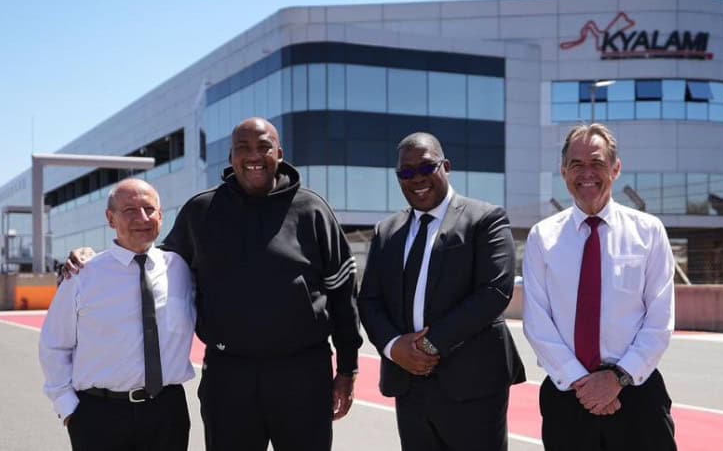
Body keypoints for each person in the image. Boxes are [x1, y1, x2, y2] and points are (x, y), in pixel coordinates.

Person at [62, 117, 363, 451]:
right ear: (231, 156)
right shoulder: (202, 211)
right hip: (228, 376)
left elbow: (343, 293)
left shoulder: (312, 210)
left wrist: (347, 368)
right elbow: (150, 263)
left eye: (264, 147)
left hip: (302, 373)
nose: (254, 155)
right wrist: (92, 258)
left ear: (279, 153)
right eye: (243, 148)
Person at [358, 132, 525, 451]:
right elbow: (369, 301)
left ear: (446, 166)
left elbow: (494, 291)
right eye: (406, 172)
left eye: (426, 167)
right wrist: (395, 348)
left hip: (473, 384)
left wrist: (428, 345)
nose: (417, 178)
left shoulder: (485, 219)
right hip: (408, 382)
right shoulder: (386, 231)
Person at [522, 123, 677, 450]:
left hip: (636, 394)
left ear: (616, 169)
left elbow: (659, 319)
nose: (587, 173)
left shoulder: (648, 232)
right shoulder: (542, 237)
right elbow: (537, 322)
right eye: (576, 164)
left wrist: (616, 379)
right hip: (568, 396)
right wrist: (583, 383)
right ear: (563, 171)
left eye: (597, 163)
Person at [40, 178, 196, 451]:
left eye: (149, 209)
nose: (142, 218)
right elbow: (54, 344)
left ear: (161, 216)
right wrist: (68, 409)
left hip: (167, 413)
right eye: (130, 210)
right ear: (110, 218)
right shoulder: (83, 274)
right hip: (99, 416)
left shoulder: (181, 268)